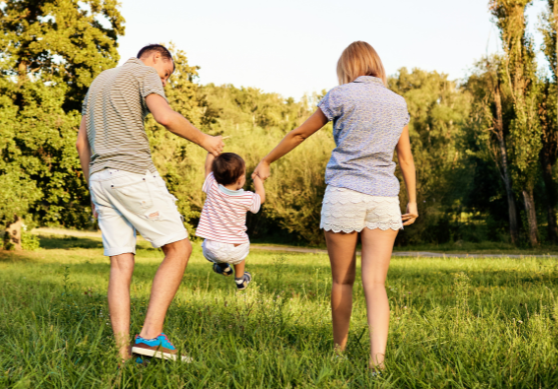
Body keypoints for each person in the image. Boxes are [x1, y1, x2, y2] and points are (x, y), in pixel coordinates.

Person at [251, 41, 418, 372]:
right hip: (385, 197)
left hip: (345, 193)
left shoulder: (340, 95)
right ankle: (377, 363)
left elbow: (300, 134)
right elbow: (406, 159)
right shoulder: (397, 103)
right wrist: (412, 200)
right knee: (376, 283)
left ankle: (338, 352)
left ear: (348, 66)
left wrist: (267, 159)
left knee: (342, 281)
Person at [75, 44, 224, 362]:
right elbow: (165, 116)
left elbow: (81, 142)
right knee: (179, 249)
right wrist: (206, 140)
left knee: (121, 264)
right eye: (167, 74)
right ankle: (150, 336)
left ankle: (122, 356)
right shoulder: (144, 72)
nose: (165, 81)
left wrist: (92, 189)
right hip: (132, 173)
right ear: (156, 58)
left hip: (100, 180)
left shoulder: (100, 80)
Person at [196, 152, 265, 290]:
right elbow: (260, 198)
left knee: (217, 247)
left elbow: (207, 168)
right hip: (236, 250)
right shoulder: (246, 198)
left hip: (211, 250)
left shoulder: (213, 187)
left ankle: (224, 268)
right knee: (240, 250)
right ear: (240, 180)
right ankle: (240, 280)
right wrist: (258, 181)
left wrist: (211, 150)